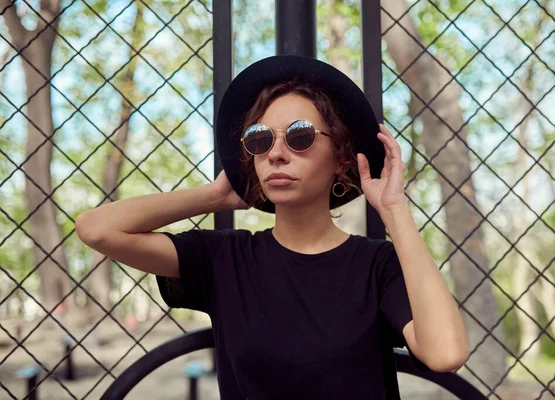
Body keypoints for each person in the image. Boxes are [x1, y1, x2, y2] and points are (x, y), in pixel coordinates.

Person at [75, 55, 469, 399]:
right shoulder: (224, 259)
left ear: (342, 159)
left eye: (299, 137)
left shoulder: (378, 265)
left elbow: (446, 353)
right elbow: (97, 229)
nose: (277, 153)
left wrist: (394, 209)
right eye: (260, 140)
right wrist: (215, 197)